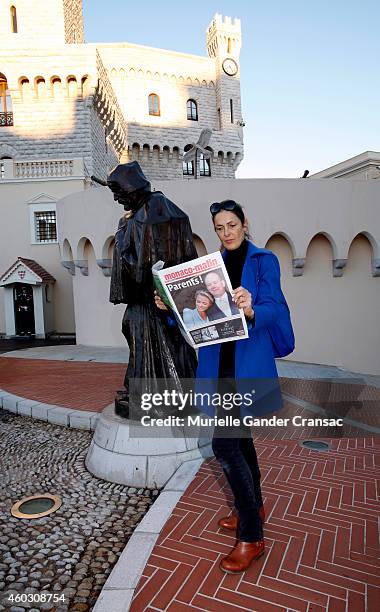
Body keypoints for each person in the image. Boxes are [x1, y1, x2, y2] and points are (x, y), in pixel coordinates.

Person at [155, 198, 294, 574]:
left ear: (245, 224)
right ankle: (256, 506)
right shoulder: (208, 269)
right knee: (241, 442)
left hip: (246, 367)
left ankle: (252, 535)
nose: (226, 232)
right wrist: (172, 310)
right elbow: (194, 328)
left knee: (224, 445)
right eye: (219, 227)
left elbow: (275, 309)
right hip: (218, 368)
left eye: (232, 225)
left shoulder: (264, 261)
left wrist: (251, 308)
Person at [108, 161, 198, 418]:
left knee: (139, 329)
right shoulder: (163, 208)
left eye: (119, 194)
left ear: (131, 189)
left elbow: (138, 268)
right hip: (164, 300)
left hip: (152, 302)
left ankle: (151, 394)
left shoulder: (142, 217)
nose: (117, 200)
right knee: (140, 331)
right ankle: (143, 389)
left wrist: (122, 230)